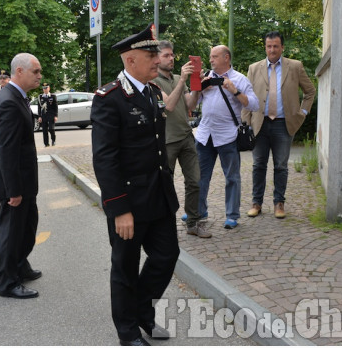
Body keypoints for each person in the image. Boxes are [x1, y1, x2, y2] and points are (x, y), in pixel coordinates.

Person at [91, 24, 180, 346]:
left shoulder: (153, 92)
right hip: (128, 201)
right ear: (131, 61)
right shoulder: (109, 98)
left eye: (157, 54)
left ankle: (143, 311)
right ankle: (127, 331)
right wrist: (119, 208)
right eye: (150, 55)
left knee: (167, 256)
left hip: (158, 197)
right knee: (125, 268)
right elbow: (105, 158)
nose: (157, 60)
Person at [241, 31, 315, 219]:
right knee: (258, 165)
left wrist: (302, 113)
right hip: (260, 124)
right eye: (268, 46)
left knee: (281, 166)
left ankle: (279, 203)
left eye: (275, 46)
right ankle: (256, 203)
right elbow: (246, 97)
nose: (272, 50)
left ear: (282, 47)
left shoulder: (295, 66)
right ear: (265, 47)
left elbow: (310, 91)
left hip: (284, 125)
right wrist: (246, 122)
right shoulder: (254, 68)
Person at [0, 53, 43, 299]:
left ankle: (20, 264)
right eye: (36, 72)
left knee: (28, 226)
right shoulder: (9, 101)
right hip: (14, 182)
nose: (40, 76)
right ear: (19, 72)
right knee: (12, 232)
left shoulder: (16, 97)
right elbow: (7, 151)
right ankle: (8, 282)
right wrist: (14, 191)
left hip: (22, 179)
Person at [195, 45, 258, 229]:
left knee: (232, 177)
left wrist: (235, 91)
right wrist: (198, 87)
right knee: (200, 176)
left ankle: (232, 215)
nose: (211, 60)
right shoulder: (206, 77)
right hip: (205, 134)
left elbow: (254, 104)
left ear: (226, 57)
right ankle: (199, 211)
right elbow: (192, 103)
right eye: (210, 57)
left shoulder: (239, 79)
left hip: (227, 136)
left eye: (215, 56)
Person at [152, 40, 210, 238]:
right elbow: (168, 105)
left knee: (195, 181)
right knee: (165, 185)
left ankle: (193, 222)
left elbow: (190, 105)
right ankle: (163, 225)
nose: (171, 58)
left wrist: (196, 85)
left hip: (186, 137)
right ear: (157, 57)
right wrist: (183, 80)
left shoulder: (178, 78)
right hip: (166, 141)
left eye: (172, 55)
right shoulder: (153, 81)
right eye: (166, 55)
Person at [38, 82, 58, 147]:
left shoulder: (52, 96)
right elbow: (39, 108)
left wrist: (56, 116)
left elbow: (55, 107)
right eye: (44, 88)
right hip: (44, 116)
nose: (45, 90)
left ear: (49, 88)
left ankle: (53, 140)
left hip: (51, 115)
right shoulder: (40, 97)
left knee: (51, 129)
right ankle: (46, 144)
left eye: (46, 88)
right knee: (44, 131)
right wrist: (39, 116)